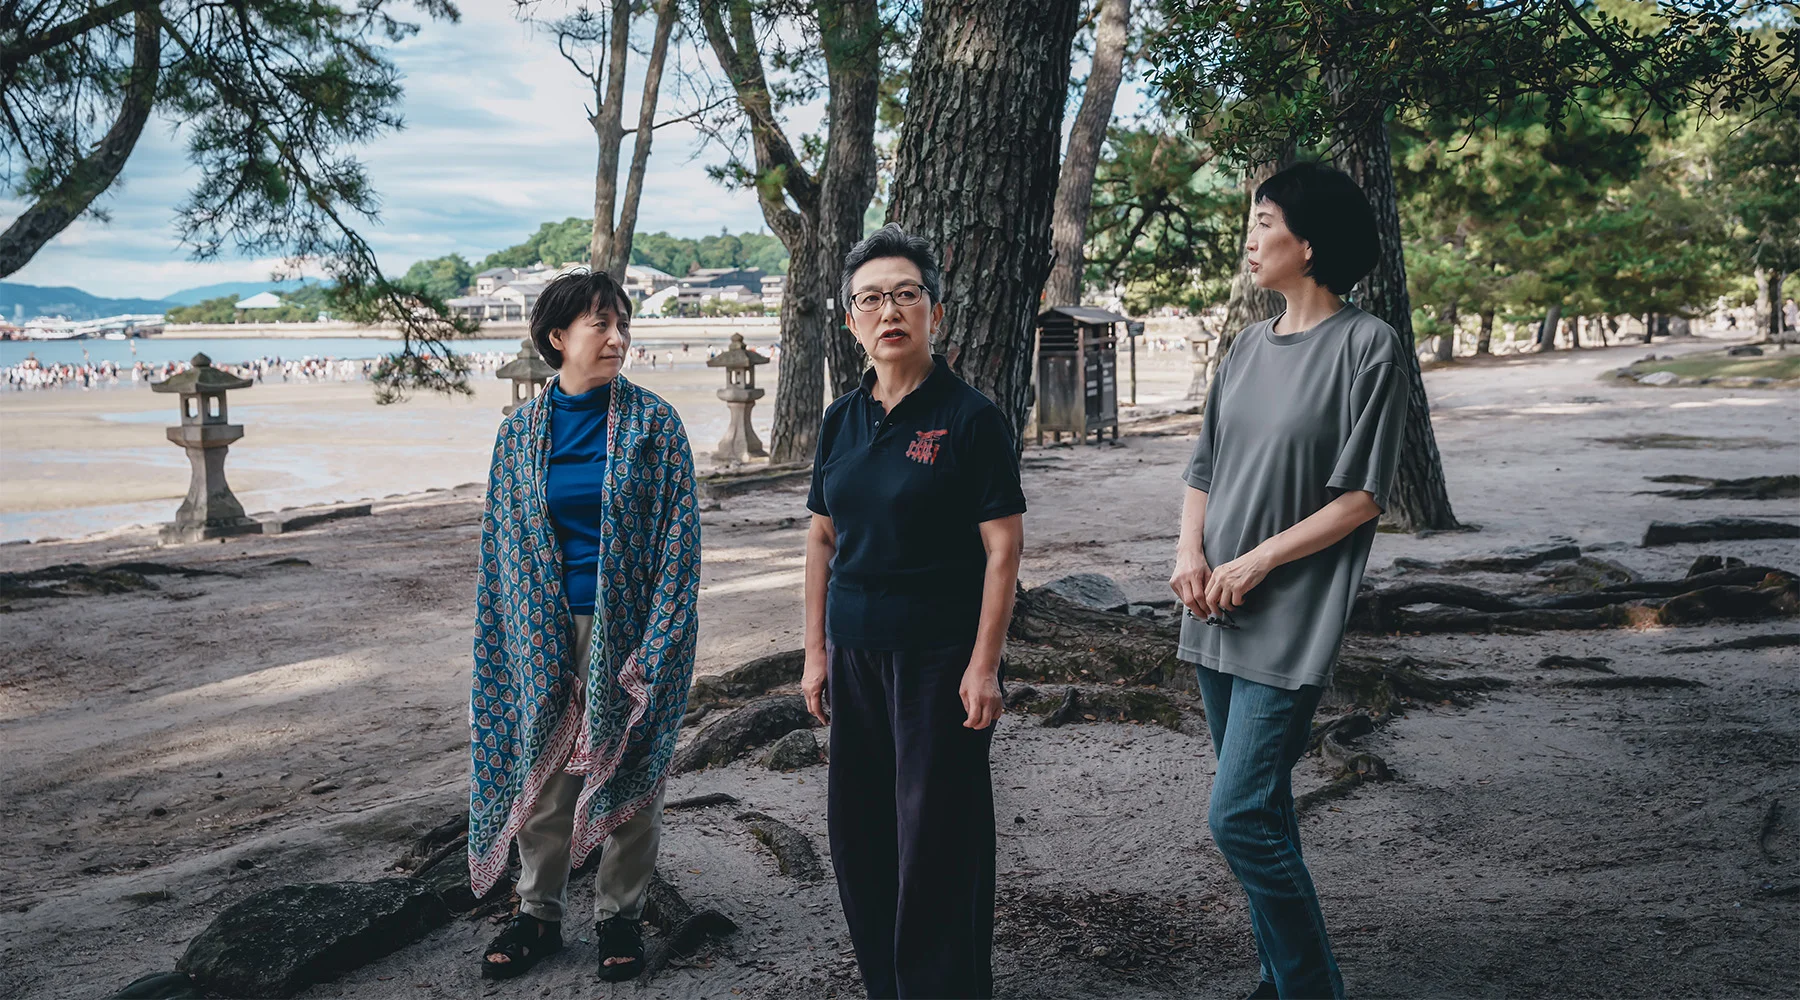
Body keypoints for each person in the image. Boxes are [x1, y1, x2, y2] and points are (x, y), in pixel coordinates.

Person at [1169, 162, 1408, 1000]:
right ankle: (1280, 982)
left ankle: (1309, 988)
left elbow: (1361, 499)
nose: (1250, 236)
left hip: (1290, 613)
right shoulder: (1245, 346)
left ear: (1308, 244)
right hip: (1213, 605)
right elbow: (1203, 466)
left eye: (1264, 220)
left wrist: (1257, 560)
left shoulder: (1368, 346)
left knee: (1236, 815)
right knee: (1263, 812)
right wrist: (1190, 554)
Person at [801, 224, 1026, 999]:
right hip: (854, 652)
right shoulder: (840, 419)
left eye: (906, 294)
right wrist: (815, 653)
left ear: (936, 311)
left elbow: (1003, 549)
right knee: (861, 836)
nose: (889, 311)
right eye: (870, 299)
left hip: (938, 658)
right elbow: (822, 539)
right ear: (850, 321)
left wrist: (984, 665)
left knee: (937, 840)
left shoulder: (969, 418)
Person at [468, 268, 701, 984]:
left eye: (622, 323)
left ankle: (619, 917)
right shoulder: (517, 436)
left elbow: (679, 544)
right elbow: (501, 550)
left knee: (631, 768)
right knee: (542, 777)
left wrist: (659, 641)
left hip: (629, 630)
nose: (617, 337)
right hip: (540, 630)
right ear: (557, 338)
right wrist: (510, 643)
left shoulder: (655, 426)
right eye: (601, 323)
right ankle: (536, 913)